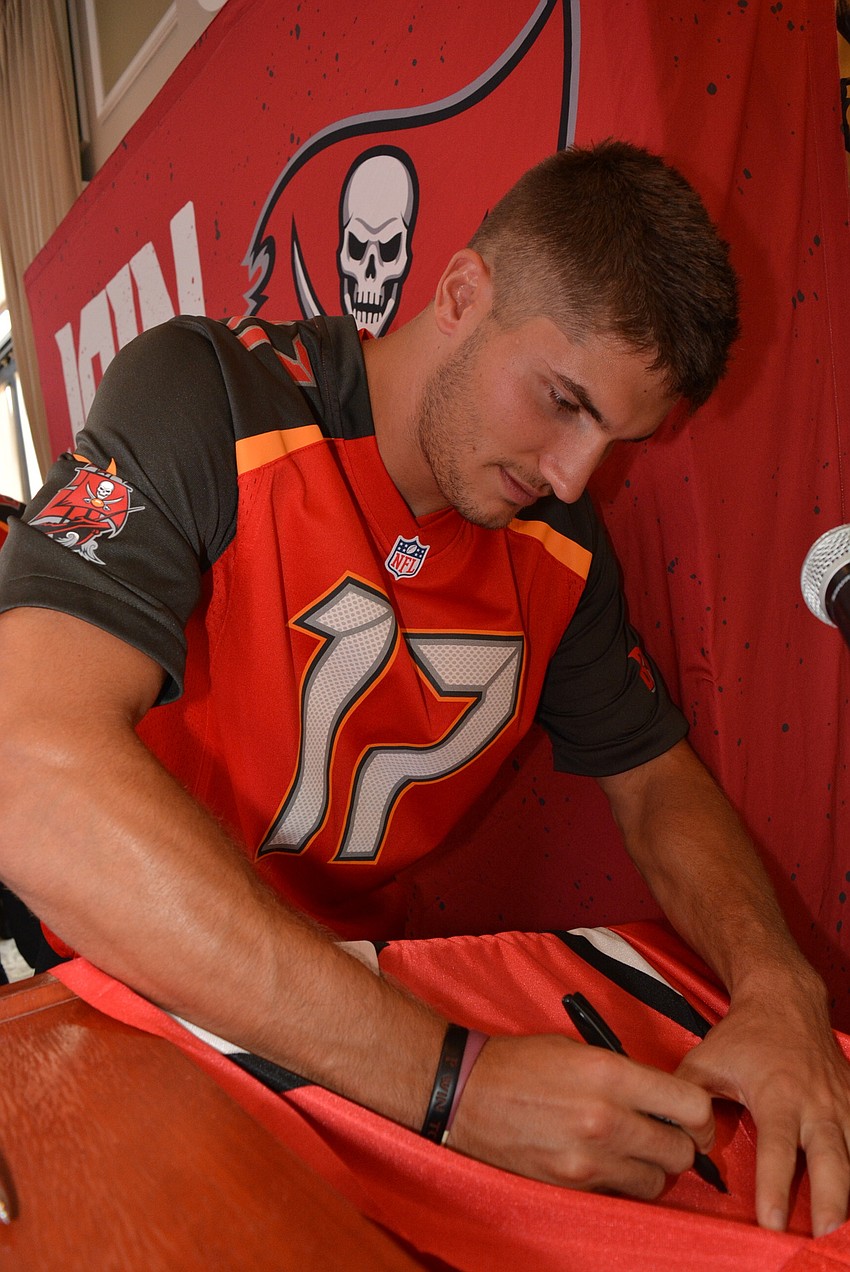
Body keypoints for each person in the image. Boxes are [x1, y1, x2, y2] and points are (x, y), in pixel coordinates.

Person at [0, 140, 848, 1236]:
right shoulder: (211, 394)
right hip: (79, 970)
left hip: (347, 1011)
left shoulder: (561, 542)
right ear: (458, 292)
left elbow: (655, 782)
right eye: (562, 402)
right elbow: (28, 772)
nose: (572, 475)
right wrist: (454, 1084)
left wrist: (776, 985)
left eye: (618, 442)